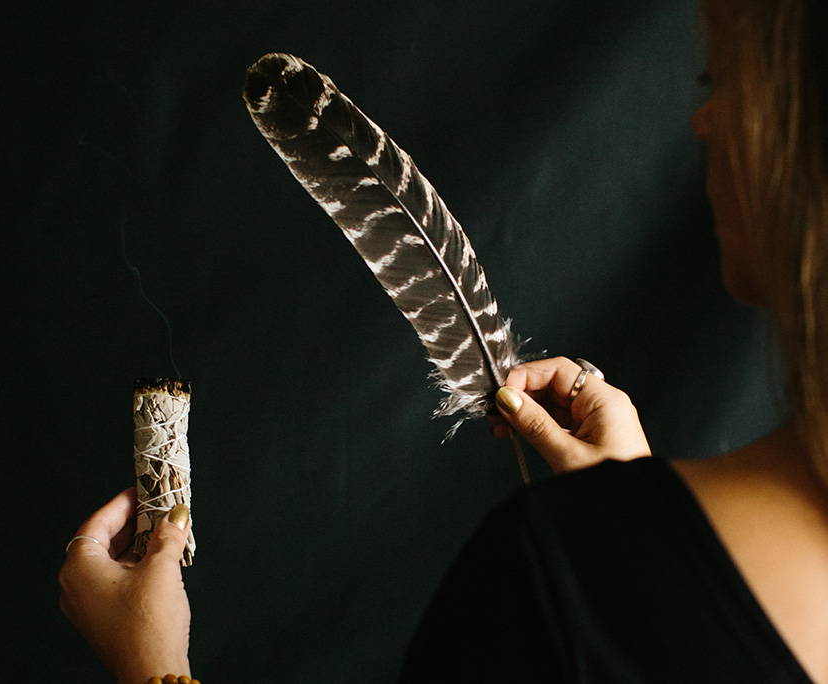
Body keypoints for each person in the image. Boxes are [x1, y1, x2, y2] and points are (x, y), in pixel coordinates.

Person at [58, 0, 827, 681]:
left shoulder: (556, 574)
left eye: (720, 85)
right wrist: (627, 524)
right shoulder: (609, 562)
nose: (706, 119)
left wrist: (150, 668)